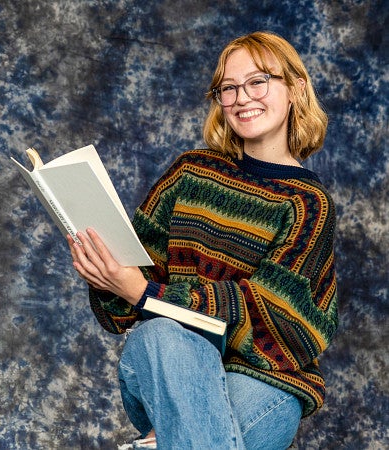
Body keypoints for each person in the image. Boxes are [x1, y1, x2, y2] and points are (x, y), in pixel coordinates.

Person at [67, 31, 338, 450]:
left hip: (264, 382)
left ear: (296, 88)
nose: (242, 97)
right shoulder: (191, 172)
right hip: (165, 370)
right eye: (228, 88)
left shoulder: (308, 205)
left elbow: (279, 325)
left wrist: (146, 293)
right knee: (156, 336)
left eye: (258, 81)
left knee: (192, 431)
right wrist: (105, 271)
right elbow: (132, 291)